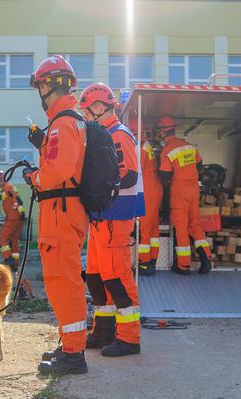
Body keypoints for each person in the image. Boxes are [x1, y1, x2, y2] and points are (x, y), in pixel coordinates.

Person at [24, 55, 89, 375]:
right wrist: (42, 147)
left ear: (49, 85)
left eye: (40, 85)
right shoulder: (64, 121)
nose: (39, 91)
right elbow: (60, 166)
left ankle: (74, 353)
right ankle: (69, 344)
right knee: (60, 281)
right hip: (62, 210)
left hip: (61, 211)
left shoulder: (64, 122)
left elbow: (60, 170)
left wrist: (35, 178)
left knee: (64, 282)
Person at [78, 83, 145, 357]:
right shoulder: (103, 135)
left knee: (117, 277)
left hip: (116, 215)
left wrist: (98, 185)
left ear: (98, 107)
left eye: (87, 110)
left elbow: (128, 174)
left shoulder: (119, 134)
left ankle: (129, 338)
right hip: (101, 217)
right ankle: (103, 331)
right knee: (95, 276)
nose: (85, 116)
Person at [157, 116, 212, 275]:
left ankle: (183, 265)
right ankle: (206, 258)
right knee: (195, 224)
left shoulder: (167, 151)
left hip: (179, 191)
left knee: (181, 227)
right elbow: (200, 164)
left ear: (162, 132)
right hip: (194, 189)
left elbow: (165, 175)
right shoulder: (189, 146)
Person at [131, 120, 162, 276]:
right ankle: (153, 260)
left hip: (148, 189)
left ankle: (144, 263)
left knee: (143, 228)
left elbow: (135, 171)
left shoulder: (139, 148)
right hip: (154, 188)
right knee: (153, 227)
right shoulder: (146, 145)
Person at [0, 170, 25, 270]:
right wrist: (22, 214)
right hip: (17, 218)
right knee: (15, 241)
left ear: (1, 179)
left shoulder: (7, 187)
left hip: (13, 218)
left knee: (3, 239)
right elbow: (13, 198)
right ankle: (15, 264)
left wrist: (20, 212)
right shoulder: (8, 187)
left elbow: (16, 200)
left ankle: (8, 260)